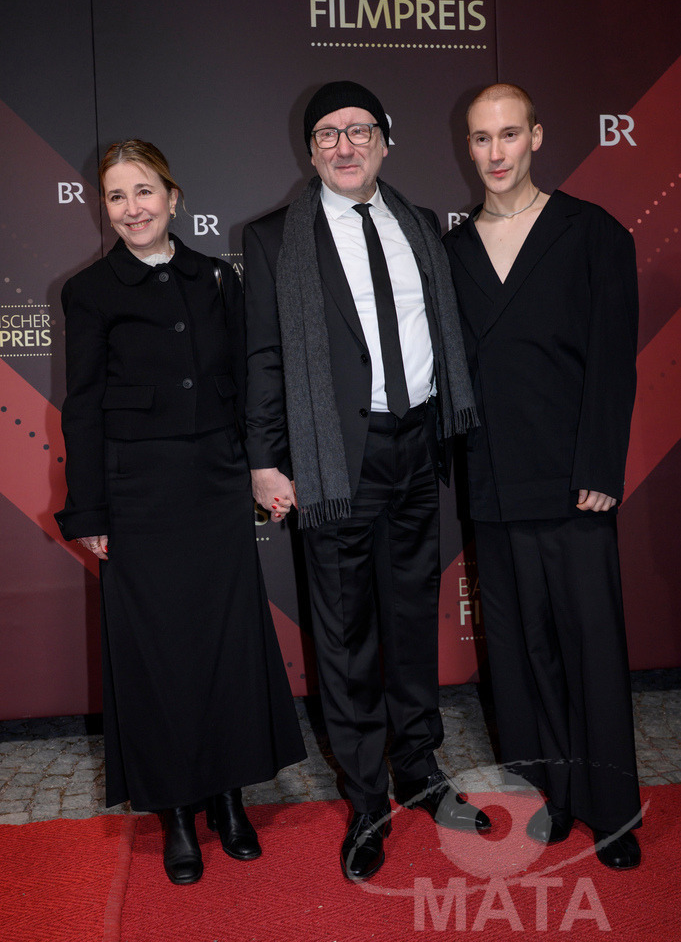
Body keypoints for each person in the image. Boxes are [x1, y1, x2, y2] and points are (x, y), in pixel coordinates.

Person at [243, 80, 490, 882]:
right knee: (345, 636)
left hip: (416, 445)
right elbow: (264, 358)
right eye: (325, 135)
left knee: (412, 620)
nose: (342, 146)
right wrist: (266, 458)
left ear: (386, 140)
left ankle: (419, 771)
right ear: (309, 150)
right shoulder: (275, 237)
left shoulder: (420, 226)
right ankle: (364, 799)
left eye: (357, 131)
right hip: (330, 459)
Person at [55, 140, 305, 885]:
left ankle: (229, 800)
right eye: (116, 196)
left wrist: (260, 469)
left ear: (172, 196)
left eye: (143, 191)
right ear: (105, 208)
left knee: (225, 643)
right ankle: (173, 814)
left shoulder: (218, 280)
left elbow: (247, 382)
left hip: (216, 485)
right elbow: (84, 407)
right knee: (158, 655)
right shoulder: (90, 291)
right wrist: (90, 506)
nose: (131, 208)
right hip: (139, 495)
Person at [443, 84, 642, 870]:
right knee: (521, 656)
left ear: (535, 137)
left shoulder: (591, 233)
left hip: (571, 480)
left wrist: (598, 464)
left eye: (507, 135)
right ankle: (545, 800)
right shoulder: (453, 250)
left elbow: (612, 361)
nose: (494, 153)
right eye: (479, 139)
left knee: (589, 646)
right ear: (467, 147)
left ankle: (612, 811)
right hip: (492, 481)